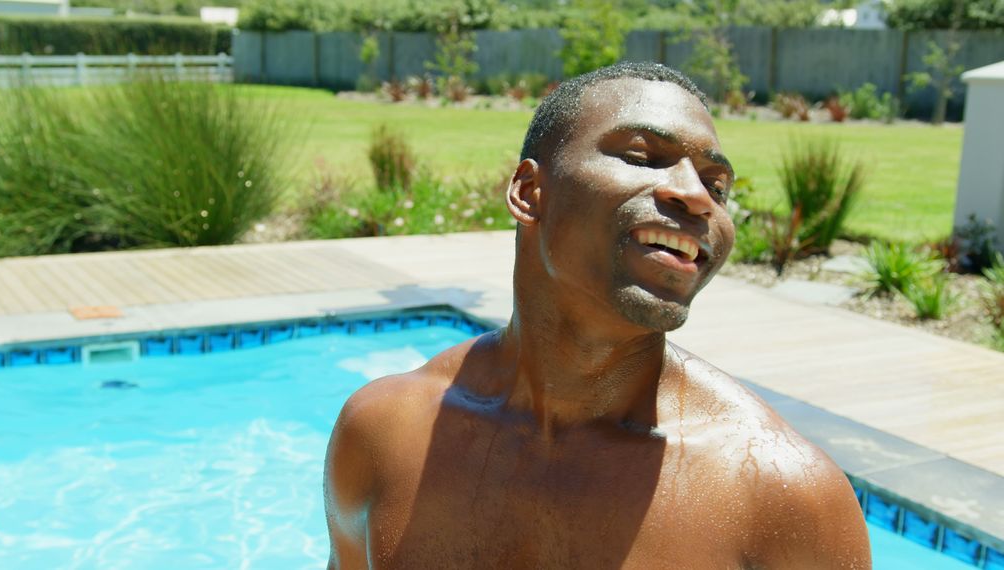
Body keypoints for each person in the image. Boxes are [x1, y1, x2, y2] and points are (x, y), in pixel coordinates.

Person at [324, 62, 871, 569]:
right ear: (529, 191)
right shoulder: (382, 432)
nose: (697, 196)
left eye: (717, 185)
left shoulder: (782, 495)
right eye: (640, 156)